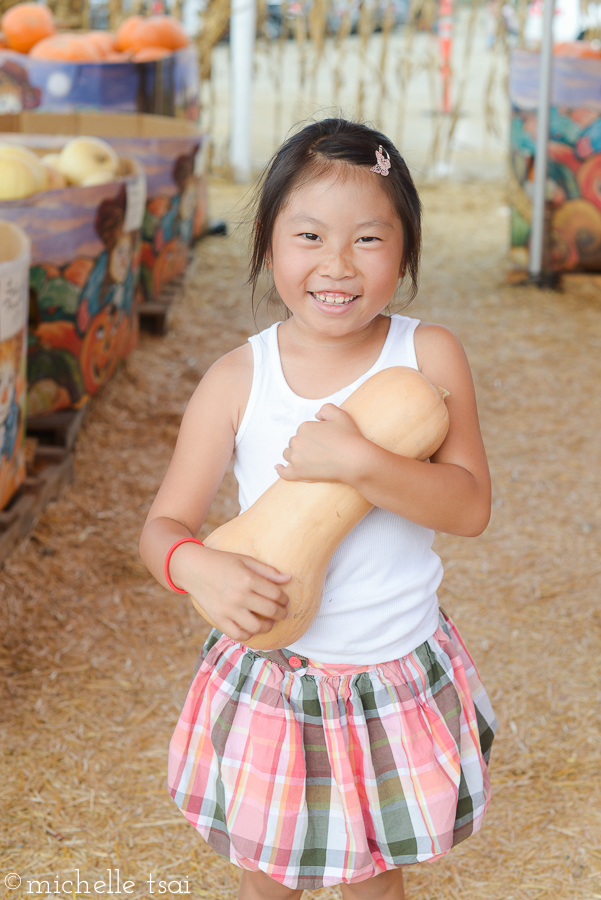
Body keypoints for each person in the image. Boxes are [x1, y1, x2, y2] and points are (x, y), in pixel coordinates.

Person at [139, 118, 497, 900]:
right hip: (276, 674)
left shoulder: (428, 357)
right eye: (308, 235)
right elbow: (161, 529)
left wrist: (364, 464)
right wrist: (193, 565)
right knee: (268, 881)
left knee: (374, 880)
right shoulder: (238, 380)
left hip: (390, 669)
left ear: (405, 250)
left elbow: (469, 507)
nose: (336, 265)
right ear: (267, 244)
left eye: (368, 239)